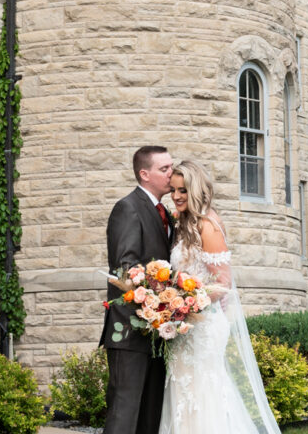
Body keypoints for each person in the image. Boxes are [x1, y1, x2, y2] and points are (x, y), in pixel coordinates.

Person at [159, 159, 281, 434]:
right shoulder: (183, 222)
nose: (176, 196)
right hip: (184, 327)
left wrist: (186, 303)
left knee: (204, 393)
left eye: (183, 191)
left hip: (202, 328)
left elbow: (223, 282)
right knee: (182, 392)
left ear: (196, 190)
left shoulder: (208, 225)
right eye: (174, 190)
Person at [102, 145, 175, 434]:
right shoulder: (128, 208)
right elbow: (124, 268)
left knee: (151, 416)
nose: (172, 173)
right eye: (164, 169)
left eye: (171, 166)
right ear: (145, 174)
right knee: (125, 413)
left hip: (159, 330)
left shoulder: (165, 213)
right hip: (130, 330)